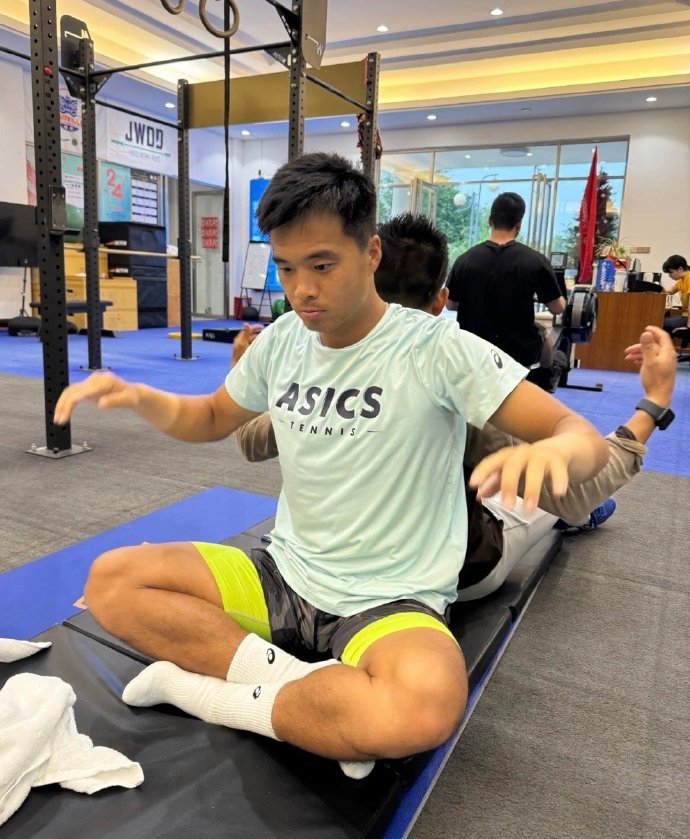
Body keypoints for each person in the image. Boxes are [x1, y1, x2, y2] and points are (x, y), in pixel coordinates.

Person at [53, 153, 608, 775]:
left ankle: (205, 694)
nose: (302, 289)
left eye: (322, 265)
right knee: (112, 580)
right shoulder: (283, 340)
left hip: (390, 602)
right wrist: (141, 397)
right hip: (283, 575)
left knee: (424, 707)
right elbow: (210, 416)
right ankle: (298, 693)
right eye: (286, 267)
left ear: (370, 253)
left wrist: (555, 448)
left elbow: (579, 435)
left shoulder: (436, 348)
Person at [236, 213, 677, 602]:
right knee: (545, 493)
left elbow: (253, 440)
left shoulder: (320, 380)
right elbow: (578, 492)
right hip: (454, 575)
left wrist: (245, 375)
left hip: (336, 569)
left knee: (524, 472)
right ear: (438, 302)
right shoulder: (453, 392)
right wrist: (653, 403)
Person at [446, 192, 565, 372]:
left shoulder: (465, 260)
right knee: (544, 334)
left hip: (472, 353)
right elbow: (557, 308)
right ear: (518, 225)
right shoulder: (535, 261)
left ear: (490, 220)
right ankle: (545, 378)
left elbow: (450, 304)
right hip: (518, 356)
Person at [661, 254, 690, 335]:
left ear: (680, 269)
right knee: (661, 319)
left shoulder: (689, 279)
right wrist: (656, 288)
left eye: (671, 272)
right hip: (685, 316)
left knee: (660, 322)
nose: (669, 276)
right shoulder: (682, 280)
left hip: (688, 318)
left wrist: (688, 328)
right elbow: (670, 290)